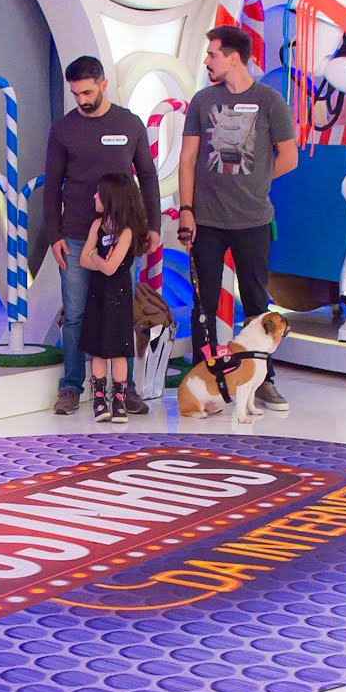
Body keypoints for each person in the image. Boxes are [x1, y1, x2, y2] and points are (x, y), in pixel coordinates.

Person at [178, 25, 297, 412]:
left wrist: (256, 181)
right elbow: (188, 159)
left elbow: (289, 157)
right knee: (204, 304)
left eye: (212, 54)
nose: (207, 60)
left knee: (257, 304)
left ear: (233, 58)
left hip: (253, 220)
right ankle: (207, 380)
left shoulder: (269, 101)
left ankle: (264, 380)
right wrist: (186, 209)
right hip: (207, 220)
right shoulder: (202, 101)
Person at [39, 55, 164, 415]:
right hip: (77, 234)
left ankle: (126, 389)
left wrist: (153, 225)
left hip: (122, 238)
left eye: (88, 92)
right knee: (76, 313)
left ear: (103, 84)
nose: (82, 100)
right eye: (76, 94)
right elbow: (52, 185)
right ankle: (71, 385)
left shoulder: (129, 123)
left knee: (121, 313)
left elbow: (148, 177)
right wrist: (54, 234)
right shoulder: (63, 129)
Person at [80, 173, 146, 424]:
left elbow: (111, 268)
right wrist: (98, 258)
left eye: (99, 193)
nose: (94, 196)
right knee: (98, 350)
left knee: (118, 350)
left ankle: (119, 399)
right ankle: (99, 399)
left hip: (118, 297)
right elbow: (84, 259)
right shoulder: (97, 226)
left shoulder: (126, 232)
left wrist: (95, 258)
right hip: (97, 295)